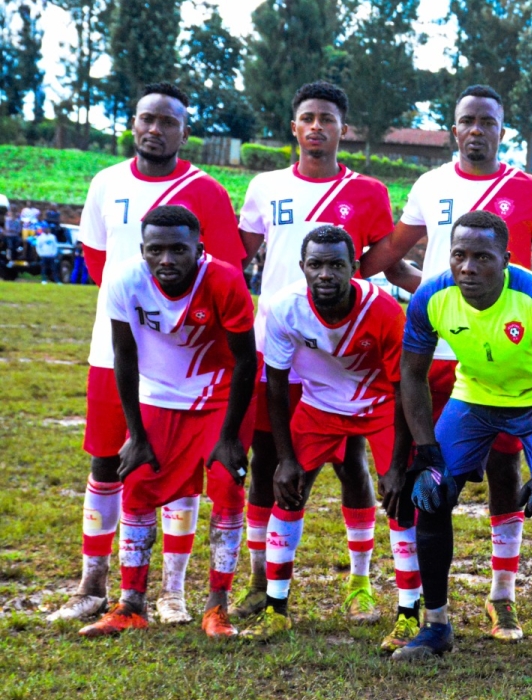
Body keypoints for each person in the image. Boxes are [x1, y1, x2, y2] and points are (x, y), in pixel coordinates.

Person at [361, 84, 532, 643]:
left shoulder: (528, 204)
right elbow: (393, 252)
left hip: (531, 384)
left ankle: (529, 609)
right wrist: (337, 271)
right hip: (455, 362)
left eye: (489, 121)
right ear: (454, 128)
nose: (478, 129)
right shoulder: (430, 194)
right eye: (468, 120)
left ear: (501, 130)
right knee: (427, 484)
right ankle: (425, 619)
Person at [51, 82, 245, 624]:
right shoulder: (105, 182)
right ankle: (92, 583)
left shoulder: (205, 190)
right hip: (112, 348)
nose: (155, 129)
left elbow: (221, 270)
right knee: (108, 458)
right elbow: (98, 259)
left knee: (179, 473)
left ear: (184, 131)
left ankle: (174, 592)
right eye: (146, 118)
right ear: (133, 124)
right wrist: (136, 312)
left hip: (185, 361)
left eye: (167, 121)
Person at [234, 81, 405, 633]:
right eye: (306, 117)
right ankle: (261, 580)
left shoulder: (370, 193)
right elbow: (237, 258)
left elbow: (381, 267)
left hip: (344, 355)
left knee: (354, 464)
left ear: (343, 129)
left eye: (326, 118)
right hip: (277, 344)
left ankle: (359, 582)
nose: (316, 127)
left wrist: (435, 295)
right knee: (272, 465)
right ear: (294, 126)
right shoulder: (265, 186)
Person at [394, 210, 532, 675]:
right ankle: (437, 625)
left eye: (482, 257)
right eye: (459, 256)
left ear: (505, 259)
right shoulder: (431, 295)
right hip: (474, 398)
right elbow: (411, 373)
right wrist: (426, 454)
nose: (468, 268)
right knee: (433, 495)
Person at [78, 205, 256, 639]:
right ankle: (131, 604)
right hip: (157, 395)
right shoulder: (125, 280)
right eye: (155, 250)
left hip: (217, 396)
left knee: (228, 487)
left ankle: (217, 607)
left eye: (179, 249)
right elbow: (125, 356)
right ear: (142, 250)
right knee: (136, 484)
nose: (167, 260)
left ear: (199, 247)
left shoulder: (225, 279)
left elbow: (246, 360)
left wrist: (231, 437)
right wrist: (136, 435)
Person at [238, 226, 409, 641]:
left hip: (380, 404)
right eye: (316, 264)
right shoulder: (283, 307)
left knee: (404, 504)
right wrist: (286, 458)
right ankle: (277, 607)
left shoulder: (384, 309)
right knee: (289, 492)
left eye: (336, 264)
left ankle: (401, 610)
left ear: (355, 267)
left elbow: (405, 388)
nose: (325, 273)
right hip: (319, 407)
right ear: (302, 268)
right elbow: (275, 385)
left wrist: (401, 463)